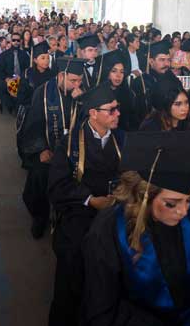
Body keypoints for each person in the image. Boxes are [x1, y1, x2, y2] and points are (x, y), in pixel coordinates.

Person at [81, 131, 190, 326]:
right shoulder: (109, 231)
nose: (184, 212)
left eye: (188, 200)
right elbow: (103, 307)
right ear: (144, 197)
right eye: (172, 204)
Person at [48, 84, 125, 326]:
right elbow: (58, 185)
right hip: (80, 212)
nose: (117, 114)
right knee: (74, 262)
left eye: (117, 109)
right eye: (111, 110)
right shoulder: (70, 143)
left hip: (116, 212)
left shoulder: (123, 139)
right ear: (93, 113)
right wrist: (91, 200)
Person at [18, 57, 84, 239]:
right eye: (73, 81)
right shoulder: (44, 92)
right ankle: (39, 217)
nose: (77, 84)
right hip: (49, 149)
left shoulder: (81, 93)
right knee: (38, 179)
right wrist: (41, 150)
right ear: (61, 76)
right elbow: (33, 125)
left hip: (76, 151)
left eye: (80, 80)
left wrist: (81, 102)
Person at [0, 33, 30, 114]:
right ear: (10, 41)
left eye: (18, 40)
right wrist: (7, 78)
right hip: (7, 78)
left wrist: (21, 77)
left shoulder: (25, 55)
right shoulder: (4, 55)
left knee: (27, 88)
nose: (16, 42)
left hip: (21, 79)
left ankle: (17, 107)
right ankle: (9, 105)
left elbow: (28, 69)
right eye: (14, 40)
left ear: (20, 41)